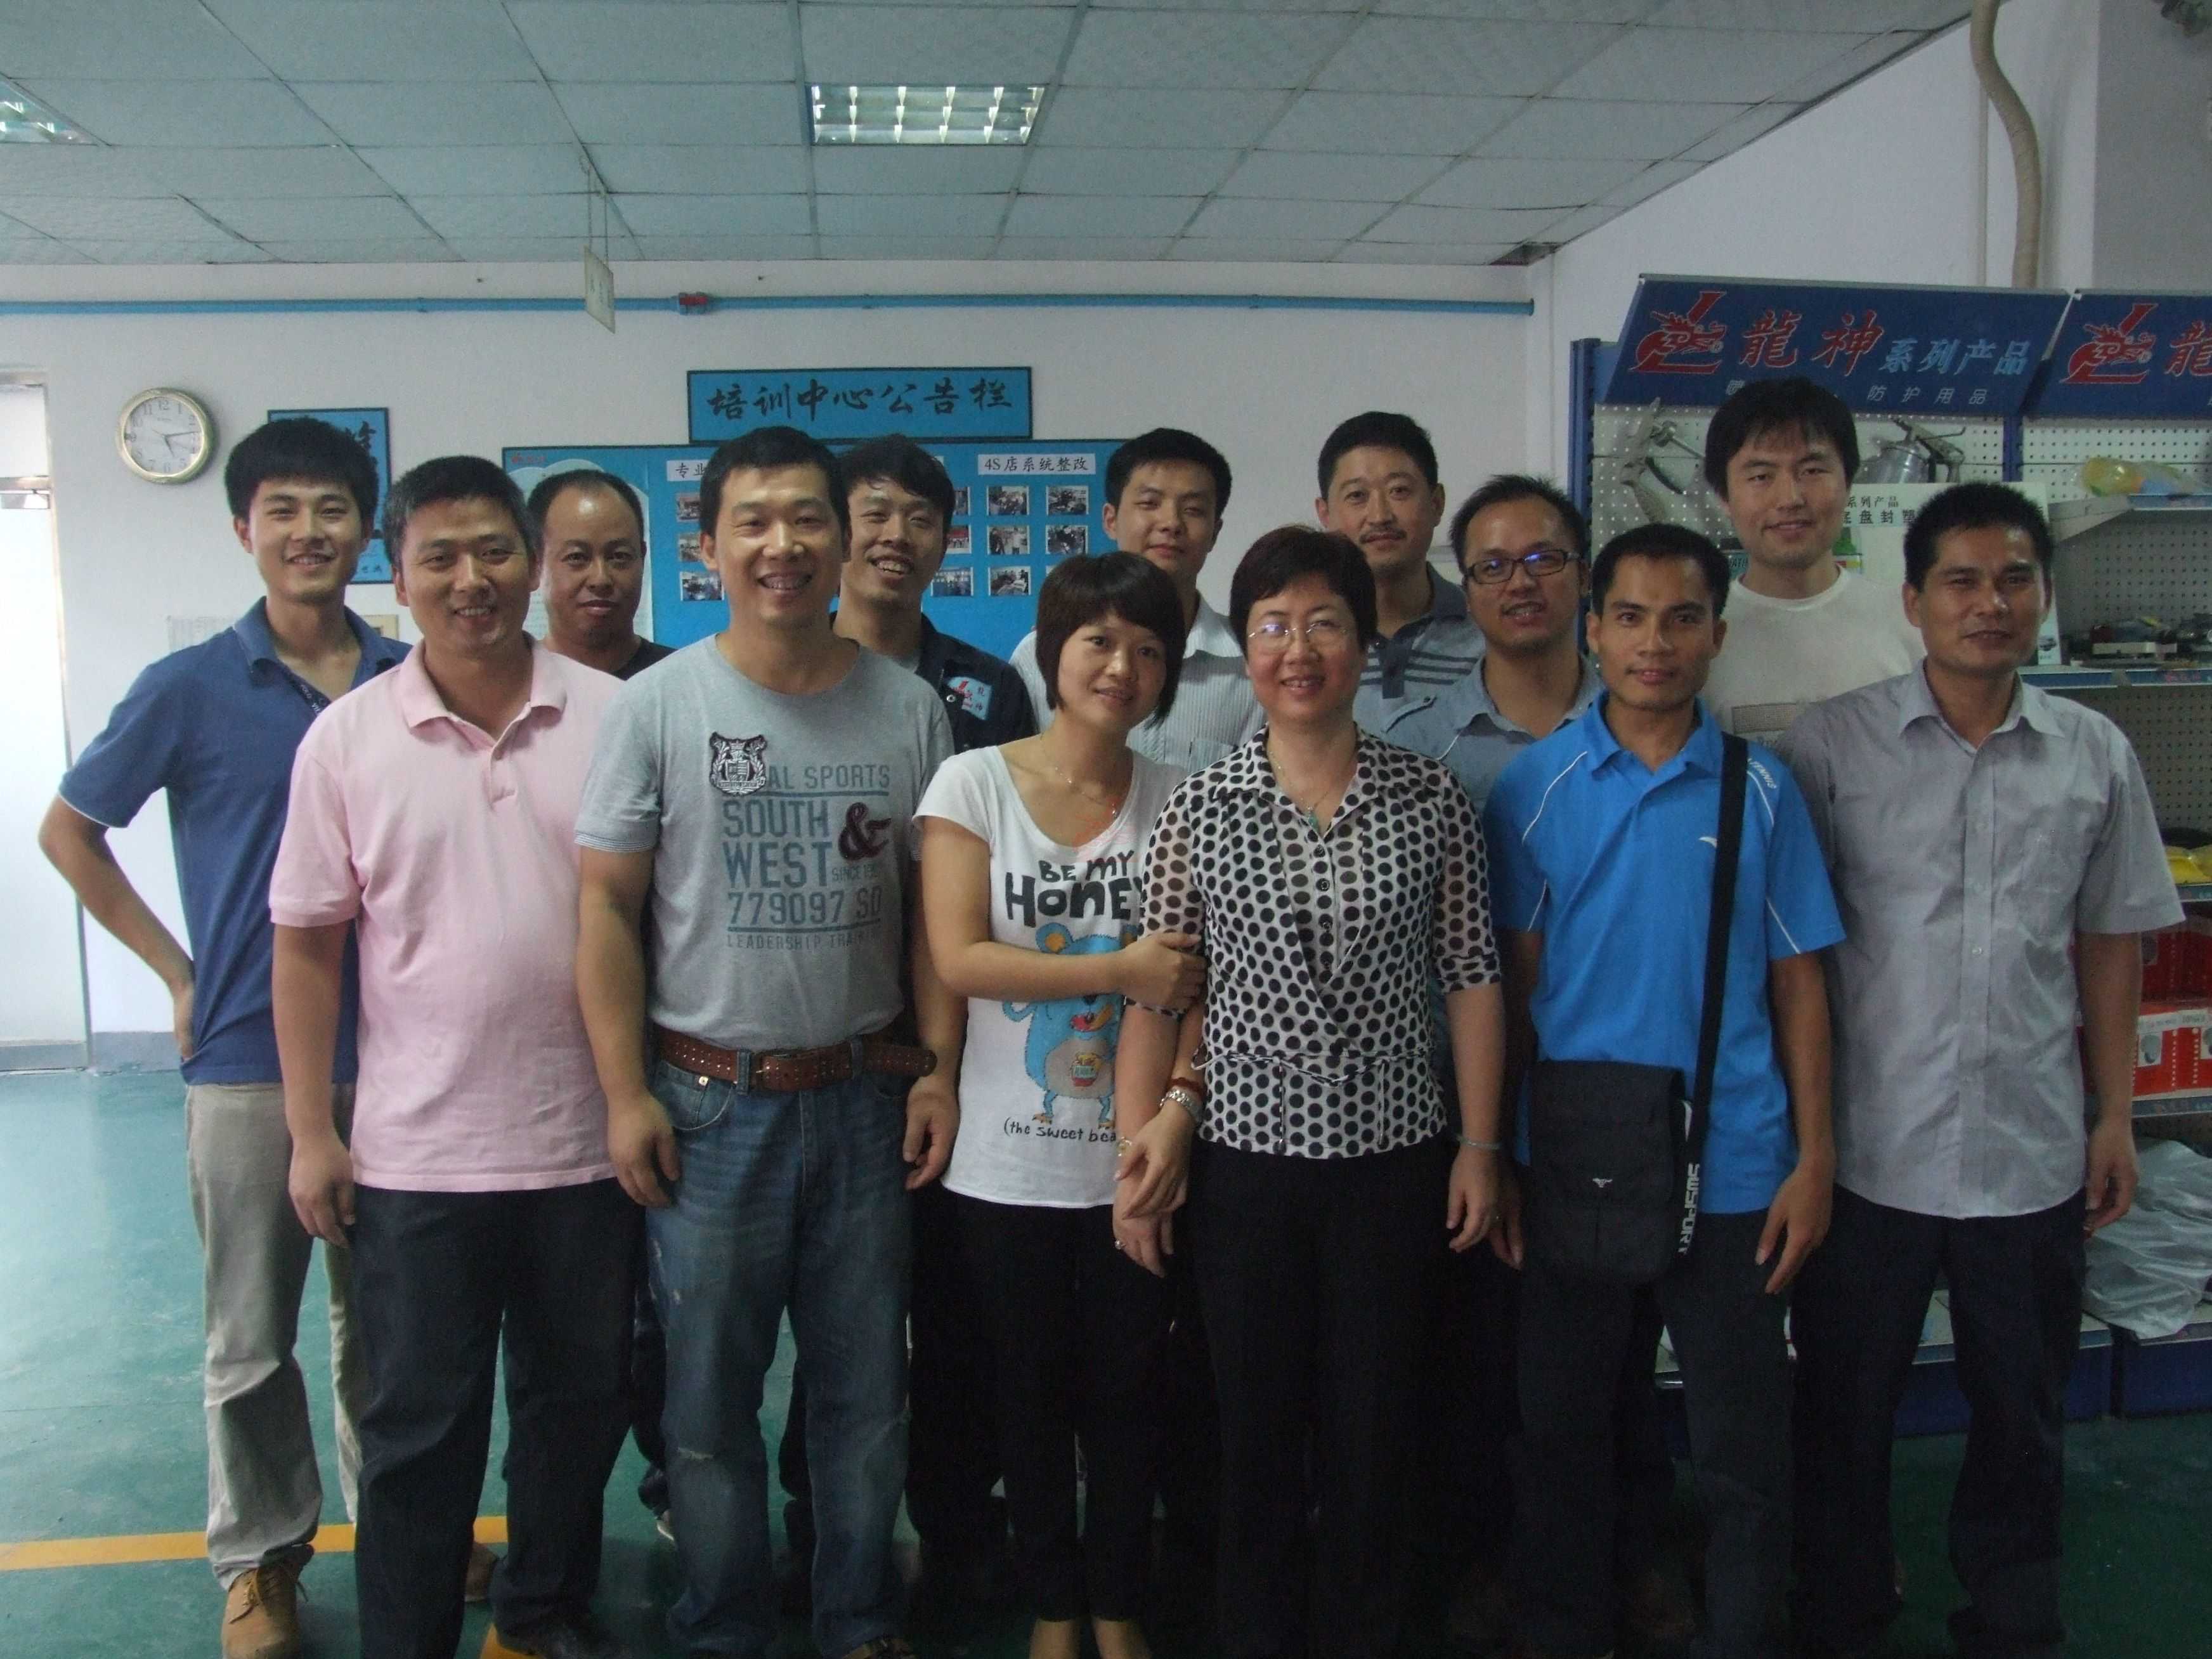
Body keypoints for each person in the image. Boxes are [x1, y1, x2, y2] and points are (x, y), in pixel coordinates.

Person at [573, 425, 956, 1659]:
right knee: (704, 1408)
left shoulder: (908, 710)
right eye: (752, 521)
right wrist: (624, 1093)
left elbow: (933, 921)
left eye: (806, 519)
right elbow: (605, 911)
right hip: (706, 1105)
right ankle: (724, 1624)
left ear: (843, 542)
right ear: (707, 547)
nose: (780, 544)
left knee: (865, 1401)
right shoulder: (655, 706)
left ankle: (856, 1617)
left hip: (861, 1099)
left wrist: (935, 1073)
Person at [1781, 483, 2181, 1659]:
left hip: (2028, 1151)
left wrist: (2115, 1116)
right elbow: (1789, 954)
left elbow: (2111, 941)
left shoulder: (2093, 753)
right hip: (1869, 1152)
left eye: (2013, 580)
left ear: (2043, 598)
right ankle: (1844, 1607)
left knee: (2023, 1410)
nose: (1988, 603)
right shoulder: (1830, 746)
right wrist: (1801, 1137)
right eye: (1959, 580)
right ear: (1911, 601)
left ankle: (2010, 1615)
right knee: (1842, 1409)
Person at [36, 417, 403, 1659]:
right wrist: (174, 970)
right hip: (248, 1060)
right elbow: (71, 829)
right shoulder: (188, 687)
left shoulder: (411, 678)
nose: (310, 531)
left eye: (333, 508)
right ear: (243, 527)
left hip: (404, 1063)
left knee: (389, 1333)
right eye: (283, 509)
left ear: (367, 528)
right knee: (250, 1336)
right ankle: (260, 1562)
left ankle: (399, 1529)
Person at [1116, 526, 1508, 1659]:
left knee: (1377, 1432)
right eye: (1273, 626)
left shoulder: (1428, 796)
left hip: (1394, 1166)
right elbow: (1160, 993)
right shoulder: (1202, 807)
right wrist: (1138, 1154)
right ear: (1246, 649)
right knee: (1250, 1433)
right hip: (1243, 1173)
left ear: (1362, 642)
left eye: (1325, 623)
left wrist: (1480, 1145)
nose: (1299, 649)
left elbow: (1471, 976)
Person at [271, 456, 634, 1659]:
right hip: (419, 1159)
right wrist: (313, 1132)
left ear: (530, 565)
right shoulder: (345, 739)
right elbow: (308, 947)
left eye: (492, 551)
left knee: (575, 1410)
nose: (470, 579)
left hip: (588, 1148)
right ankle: (407, 1638)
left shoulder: (614, 716)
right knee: (418, 1430)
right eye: (440, 556)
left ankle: (541, 1614)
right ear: (399, 574)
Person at [1482, 522, 1842, 1659]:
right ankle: (1565, 1630)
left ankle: (1741, 1636)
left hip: (1734, 1166)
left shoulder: (1761, 790)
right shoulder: (1534, 788)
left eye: (1682, 618)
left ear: (1716, 636)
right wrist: (1499, 1155)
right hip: (1572, 1163)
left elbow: (1798, 983)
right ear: (1593, 629)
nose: (1654, 642)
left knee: (1742, 1451)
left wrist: (1815, 1158)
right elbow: (1510, 993)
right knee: (1561, 1435)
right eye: (1630, 617)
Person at [765, 433, 1035, 1615]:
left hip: (962, 1047)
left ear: (946, 541)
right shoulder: (773, 673)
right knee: (832, 1319)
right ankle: (821, 1536)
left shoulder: (983, 690)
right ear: (835, 529)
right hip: (823, 1045)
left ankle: (959, 1530)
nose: (894, 535)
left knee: (955, 1311)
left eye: (920, 517)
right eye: (872, 511)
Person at [920, 552, 1203, 1659]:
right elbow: (959, 957)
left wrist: (1174, 1108)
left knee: (1131, 1393)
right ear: (1052, 651)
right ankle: (1053, 1603)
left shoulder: (1182, 798)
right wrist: (1118, 968)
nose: (1121, 667)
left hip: (1133, 1161)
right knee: (1026, 1393)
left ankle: (1119, 1601)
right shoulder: (972, 784)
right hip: (1004, 1162)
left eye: (1148, 649)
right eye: (1098, 641)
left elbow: (1200, 982)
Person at [1011, 427, 1261, 772]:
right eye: (1150, 504)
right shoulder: (1039, 654)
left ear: (1215, 532)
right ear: (1111, 520)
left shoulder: (1249, 665)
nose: (1171, 523)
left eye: (1193, 509)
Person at [1700, 375, 1920, 741]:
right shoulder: (1698, 638)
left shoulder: (1912, 625)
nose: (1790, 498)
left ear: (1848, 483)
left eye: (1812, 471)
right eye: (1761, 476)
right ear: (1724, 496)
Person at [1395, 473, 1600, 807]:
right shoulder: (1417, 741)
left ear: (1583, 577)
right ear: (1467, 594)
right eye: (1493, 567)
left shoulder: (1632, 725)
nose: (1521, 583)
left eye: (1543, 560)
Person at [1316, 411, 1484, 738]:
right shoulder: (1304, 645)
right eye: (1357, 496)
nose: (1379, 516)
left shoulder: (1486, 635)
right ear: (1325, 514)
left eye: (1399, 491)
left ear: (1437, 503)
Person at [532, 469, 675, 682]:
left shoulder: (683, 681)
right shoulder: (508, 686)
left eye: (619, 556)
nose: (600, 579)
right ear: (535, 563)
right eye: (577, 557)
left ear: (642, 558)